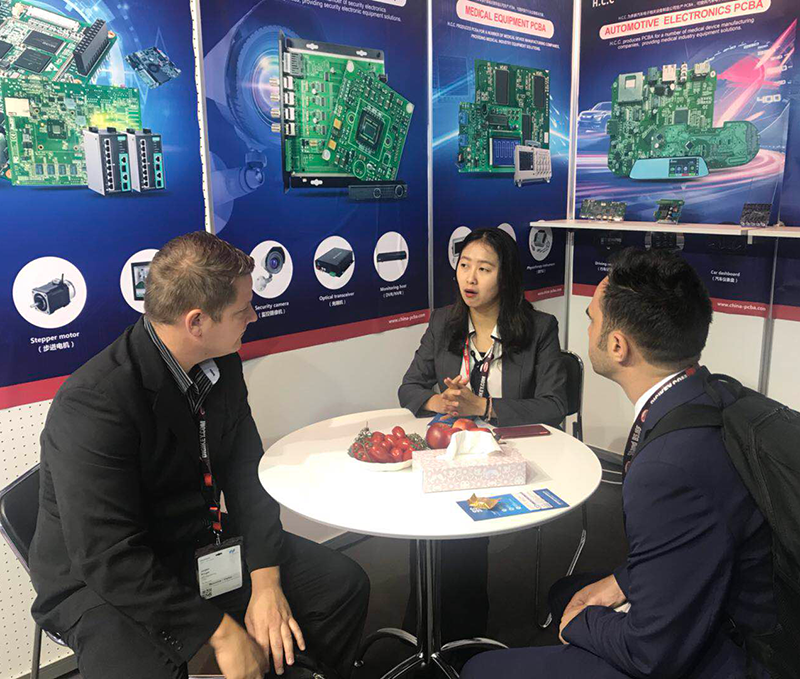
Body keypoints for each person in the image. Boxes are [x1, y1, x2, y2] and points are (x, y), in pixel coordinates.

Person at [29, 232, 370, 679]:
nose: (253, 315)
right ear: (196, 323)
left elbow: (247, 475)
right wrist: (221, 633)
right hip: (104, 576)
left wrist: (266, 581)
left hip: (194, 541)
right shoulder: (95, 402)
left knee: (341, 586)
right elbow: (107, 555)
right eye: (243, 309)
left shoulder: (221, 362)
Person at [461, 248, 776, 678]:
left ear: (616, 345)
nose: (588, 329)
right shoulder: (709, 392)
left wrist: (582, 625)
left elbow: (652, 653)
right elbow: (692, 543)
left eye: (591, 319)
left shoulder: (668, 468)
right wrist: (621, 583)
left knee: (481, 669)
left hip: (730, 652)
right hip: (719, 596)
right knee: (567, 592)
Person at [398, 227, 568, 641]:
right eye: (464, 265)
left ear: (505, 277)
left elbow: (554, 405)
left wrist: (485, 407)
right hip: (451, 449)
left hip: (508, 456)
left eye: (484, 269)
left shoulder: (540, 328)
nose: (470, 278)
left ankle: (456, 636)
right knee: (430, 515)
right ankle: (427, 627)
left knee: (461, 532)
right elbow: (409, 387)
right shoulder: (444, 322)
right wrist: (441, 401)